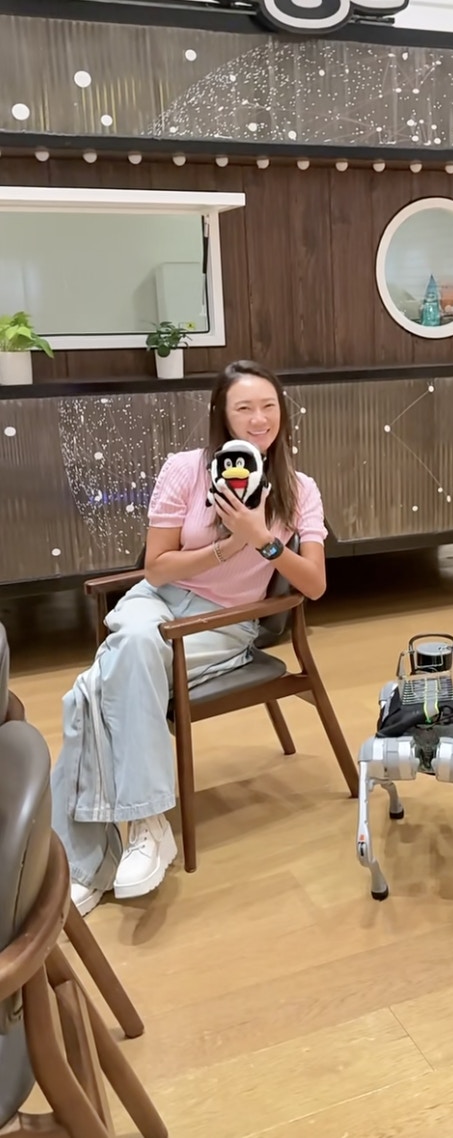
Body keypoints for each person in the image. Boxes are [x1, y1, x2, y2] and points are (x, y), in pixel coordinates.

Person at [51, 360, 328, 917]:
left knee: (92, 689)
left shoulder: (299, 490)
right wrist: (228, 545)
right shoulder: (184, 470)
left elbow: (315, 585)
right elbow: (156, 568)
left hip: (223, 622)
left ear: (282, 413)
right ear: (222, 415)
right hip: (155, 602)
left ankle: (85, 863)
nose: (259, 419)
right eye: (244, 408)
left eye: (268, 406)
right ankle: (147, 824)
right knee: (133, 645)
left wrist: (262, 539)